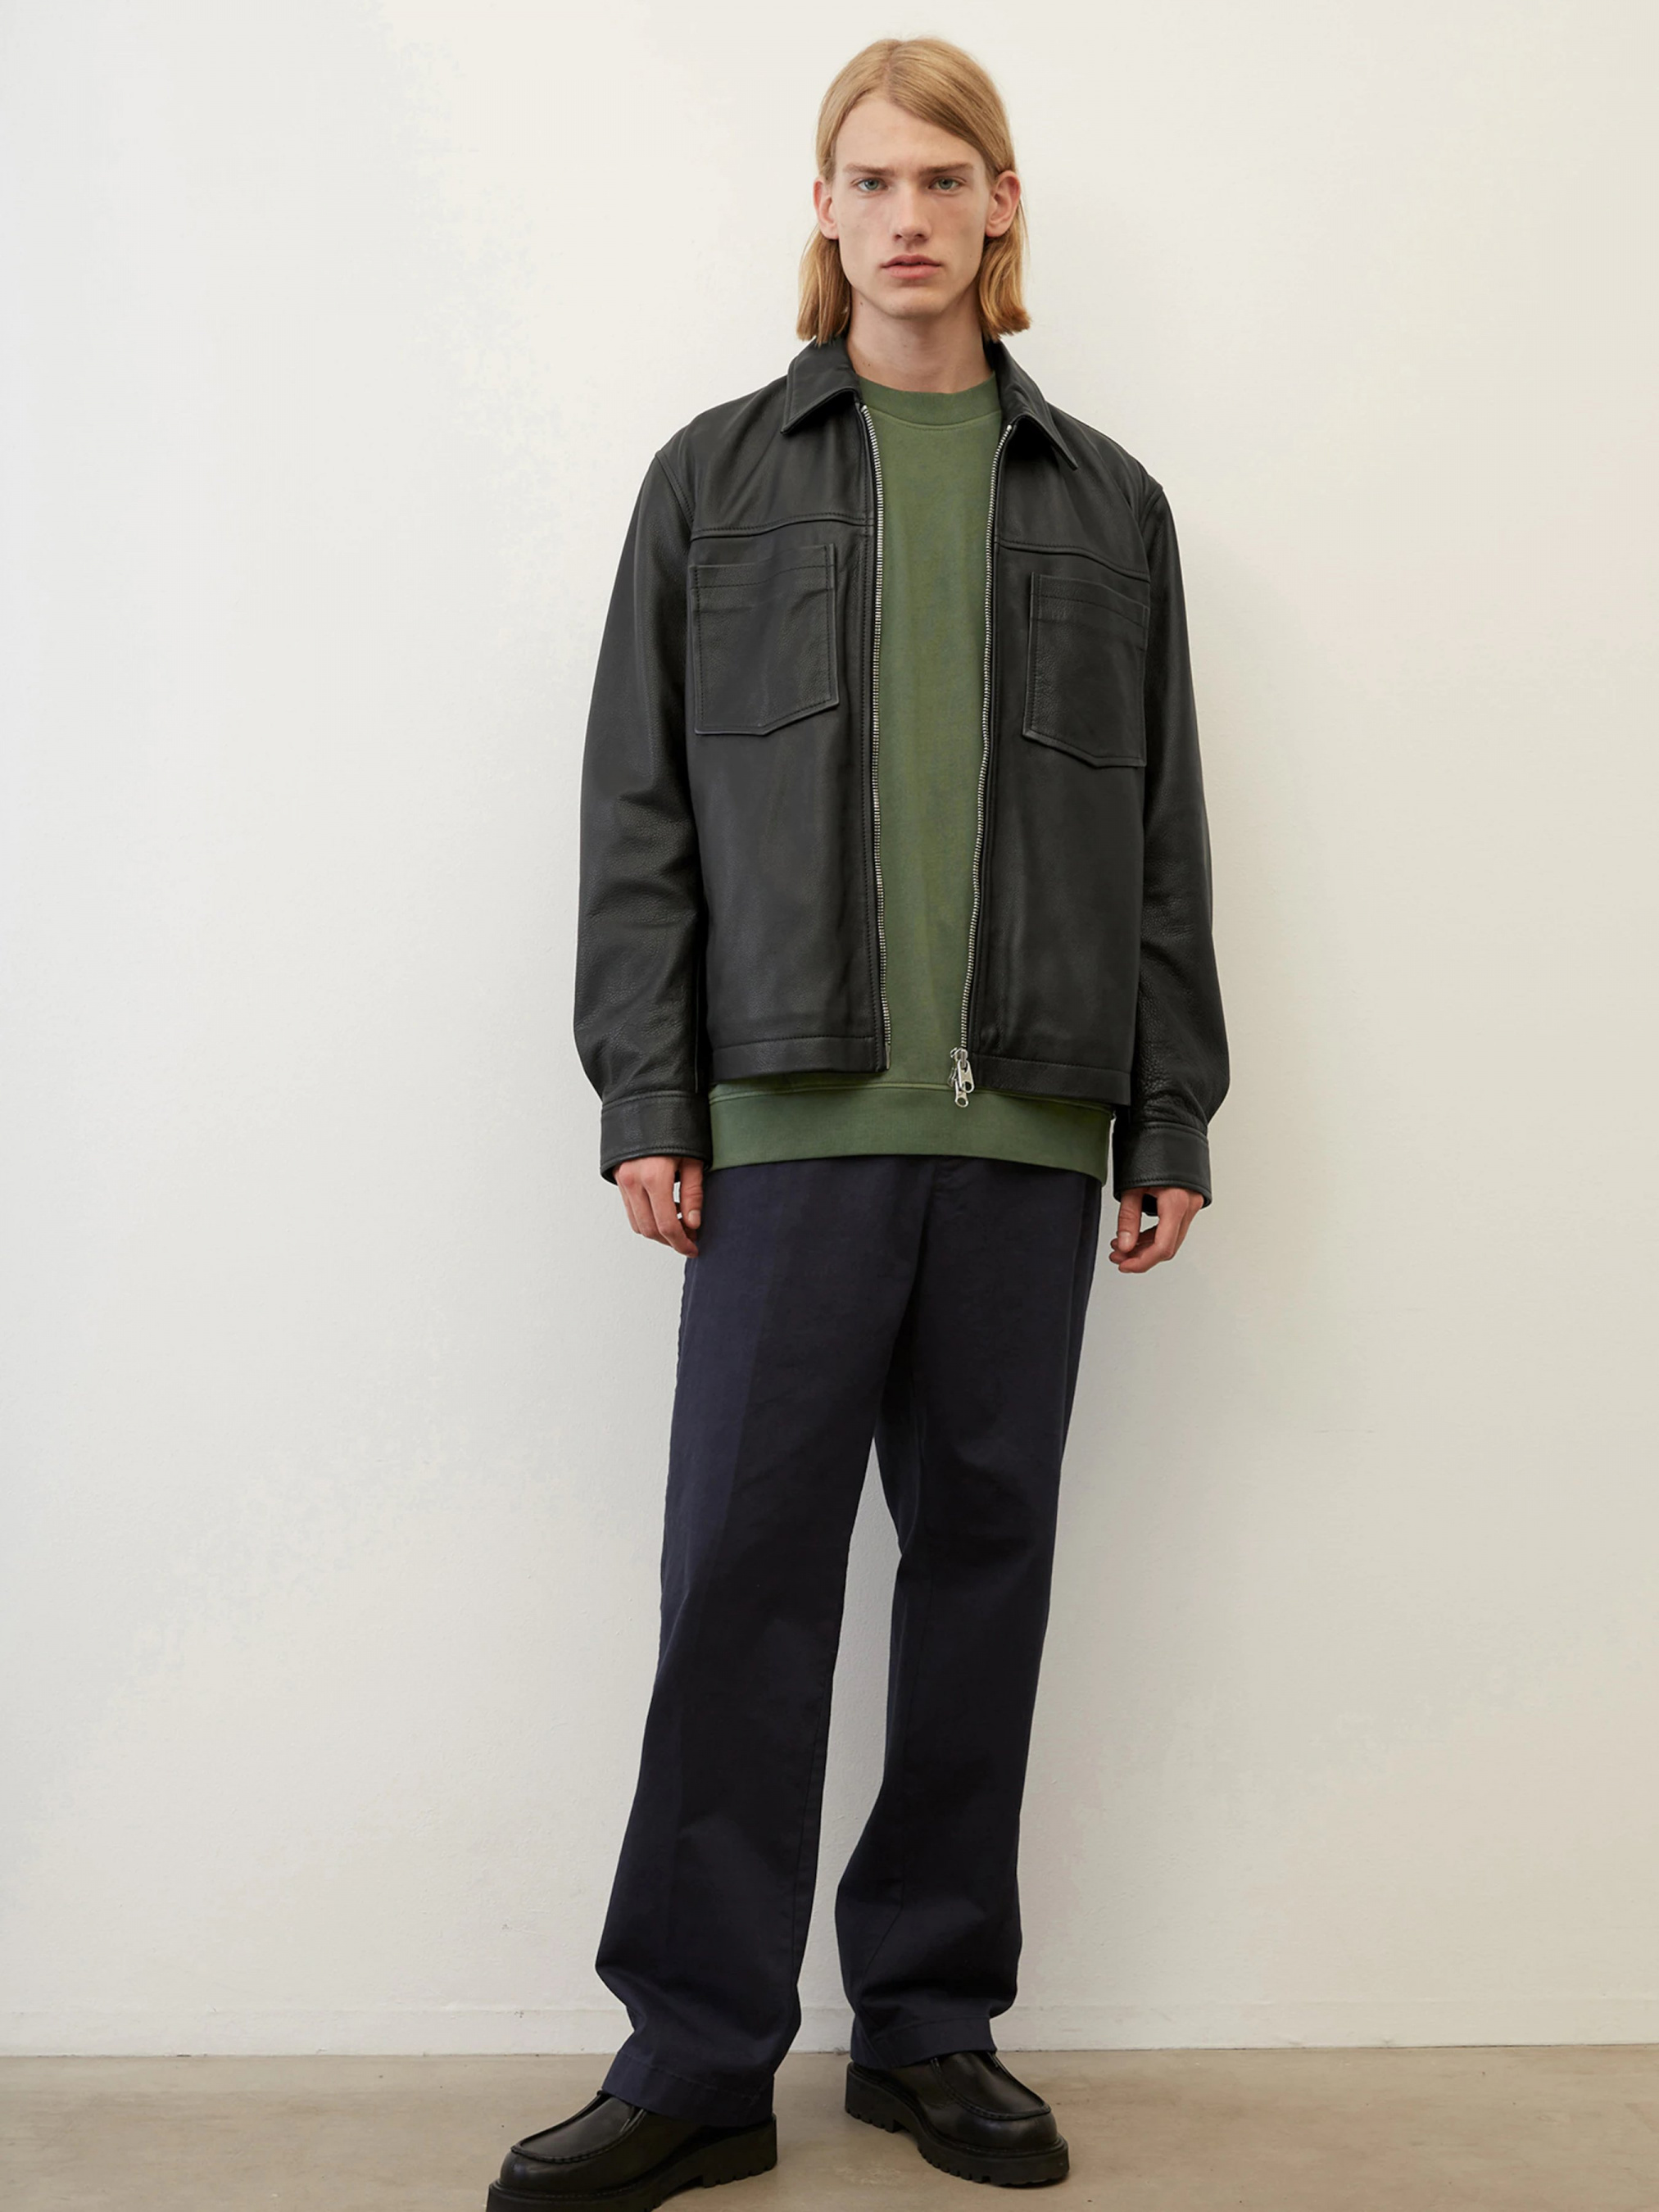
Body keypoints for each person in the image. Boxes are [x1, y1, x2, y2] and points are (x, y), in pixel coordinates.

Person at [486, 34, 1227, 2212]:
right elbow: (638, 812)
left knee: (982, 1580)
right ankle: (695, 2053)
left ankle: (929, 2027)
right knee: (742, 1580)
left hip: (1028, 1134)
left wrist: (1166, 1106)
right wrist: (650, 1082)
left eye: (945, 178)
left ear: (1002, 208)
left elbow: (1163, 838)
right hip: (784, 1123)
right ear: (823, 212)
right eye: (871, 179)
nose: (909, 216)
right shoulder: (713, 479)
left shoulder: (1107, 503)